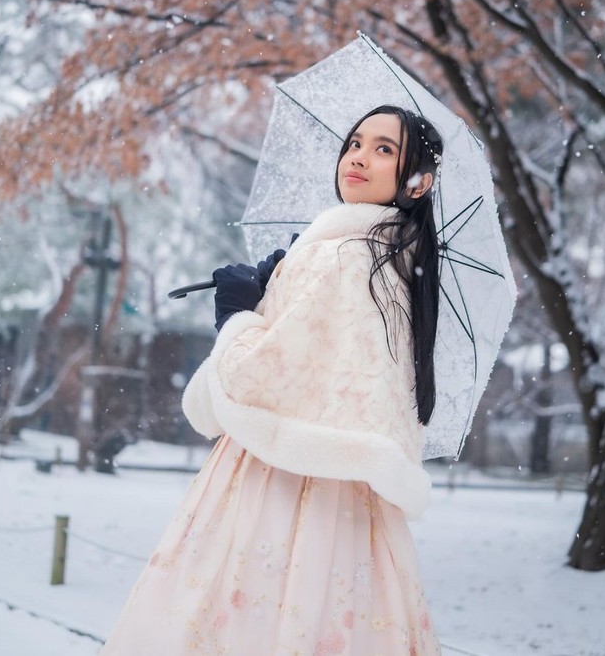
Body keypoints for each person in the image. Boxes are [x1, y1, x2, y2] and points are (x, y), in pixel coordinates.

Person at [99, 105, 443, 656]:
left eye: (384, 149)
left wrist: (236, 312)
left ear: (419, 181)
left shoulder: (343, 257)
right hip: (351, 509)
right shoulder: (395, 266)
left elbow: (252, 378)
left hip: (275, 487)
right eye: (356, 141)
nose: (358, 156)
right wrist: (276, 294)